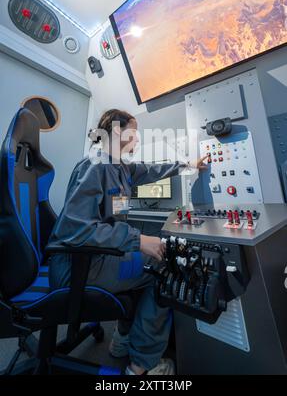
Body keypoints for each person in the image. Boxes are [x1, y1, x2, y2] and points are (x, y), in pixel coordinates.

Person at [49, 109, 207, 375]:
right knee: (163, 267)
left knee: (146, 264)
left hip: (97, 259)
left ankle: (122, 340)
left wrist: (187, 165)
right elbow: (74, 230)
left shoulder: (119, 167)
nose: (137, 139)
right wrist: (138, 240)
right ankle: (142, 366)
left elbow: (151, 170)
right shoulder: (94, 165)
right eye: (133, 133)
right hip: (78, 268)